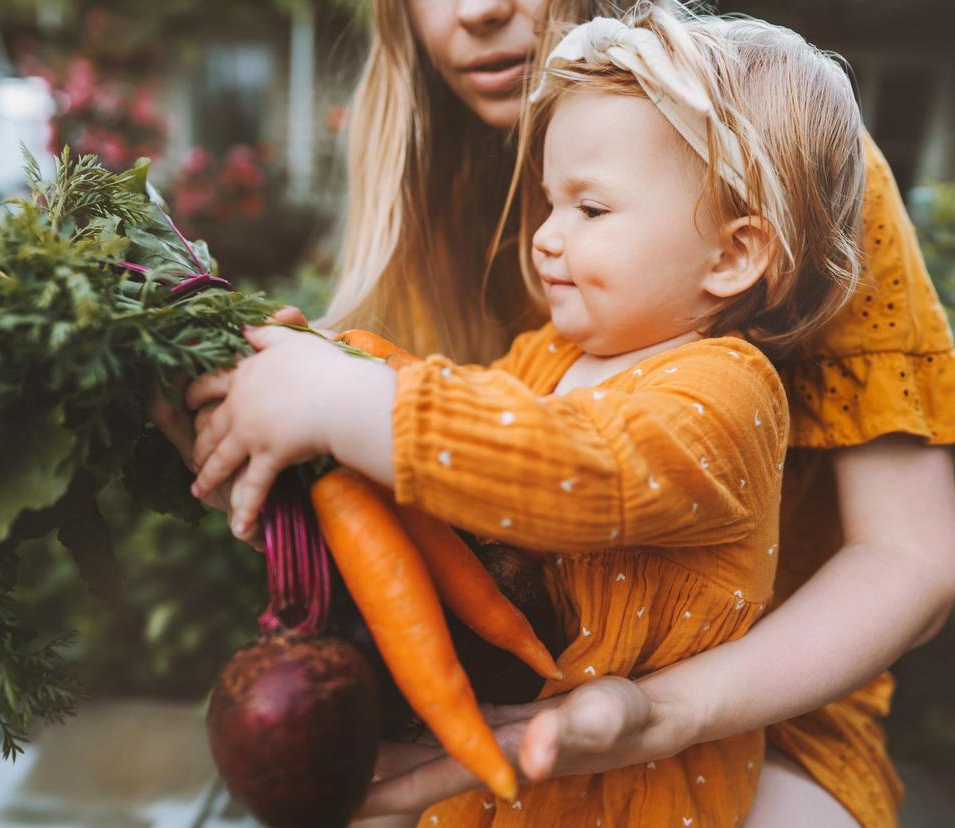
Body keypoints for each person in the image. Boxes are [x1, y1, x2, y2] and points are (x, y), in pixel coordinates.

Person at [150, 1, 955, 826]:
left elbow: (580, 467)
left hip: (660, 771)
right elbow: (465, 409)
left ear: (735, 253)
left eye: (591, 210)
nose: (546, 236)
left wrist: (350, 402)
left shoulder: (728, 388)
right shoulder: (556, 349)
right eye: (548, 202)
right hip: (530, 731)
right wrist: (304, 404)